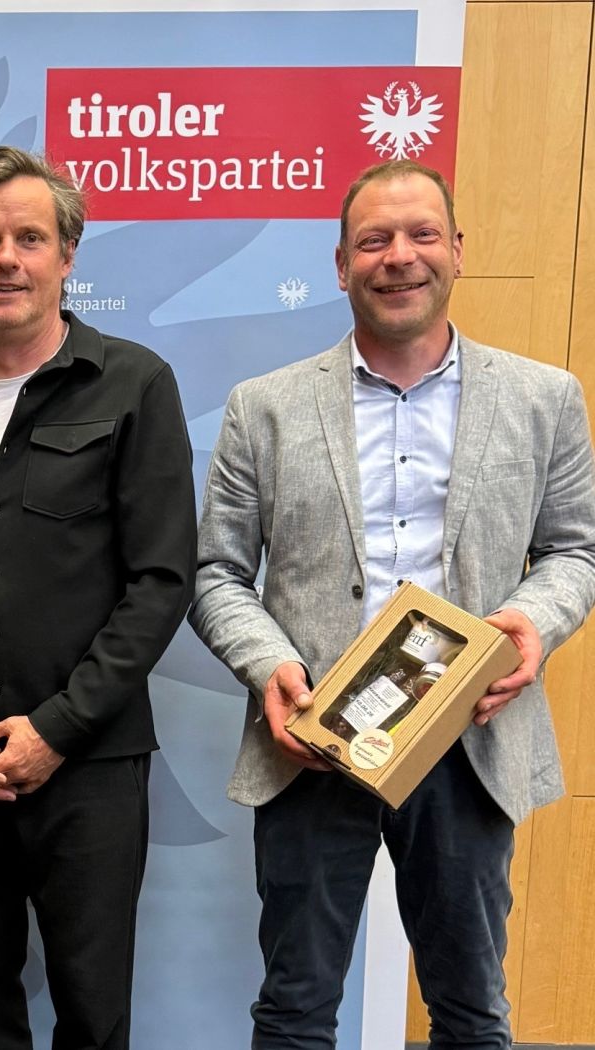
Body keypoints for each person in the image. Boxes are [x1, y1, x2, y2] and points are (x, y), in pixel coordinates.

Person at [190, 159, 595, 1048]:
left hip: (470, 738)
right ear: (342, 265)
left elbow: (574, 551)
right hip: (314, 739)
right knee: (294, 1011)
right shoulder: (263, 408)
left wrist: (533, 624)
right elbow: (215, 572)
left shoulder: (544, 399)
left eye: (421, 235)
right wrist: (272, 666)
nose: (399, 256)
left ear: (458, 251)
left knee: (472, 1013)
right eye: (373, 240)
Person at [0, 146, 197, 1049]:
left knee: (93, 1019)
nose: (6, 260)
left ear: (67, 255)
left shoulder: (135, 385)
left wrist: (57, 729)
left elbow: (160, 581)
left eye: (29, 238)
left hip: (89, 767)